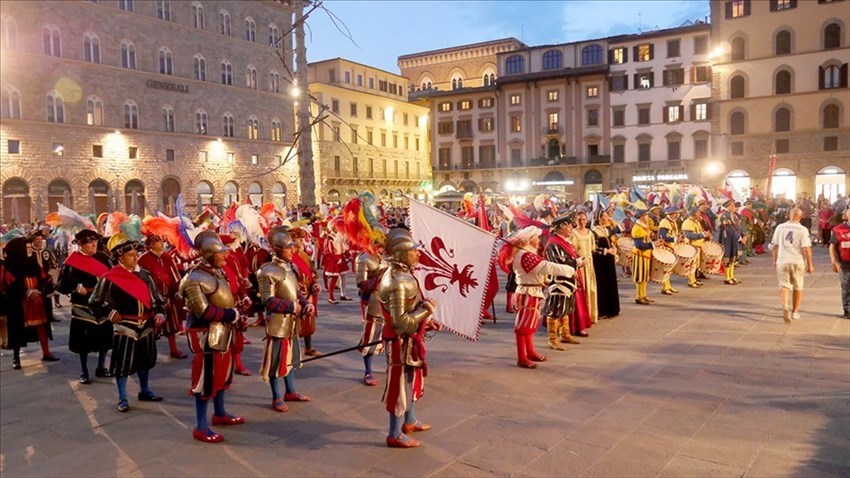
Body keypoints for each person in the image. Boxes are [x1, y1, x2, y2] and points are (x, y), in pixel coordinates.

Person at [377, 228, 442, 448]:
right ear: (401, 254)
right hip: (400, 342)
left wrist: (427, 321)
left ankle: (410, 420)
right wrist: (427, 310)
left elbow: (408, 309)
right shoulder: (398, 281)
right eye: (413, 251)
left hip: (409, 339)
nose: (417, 254)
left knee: (410, 382)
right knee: (398, 387)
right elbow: (400, 323)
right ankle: (394, 433)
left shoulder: (404, 275)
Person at [178, 231, 245, 444]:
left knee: (222, 376)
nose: (226, 255)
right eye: (220, 252)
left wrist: (236, 313)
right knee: (205, 381)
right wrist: (231, 314)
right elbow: (203, 311)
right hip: (205, 334)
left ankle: (220, 413)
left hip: (223, 330)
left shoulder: (217, 272)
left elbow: (224, 299)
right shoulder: (195, 277)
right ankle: (200, 425)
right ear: (208, 254)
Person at [90, 237, 166, 412]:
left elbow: (157, 298)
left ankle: (144, 390)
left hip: (146, 325)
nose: (135, 257)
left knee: (145, 361)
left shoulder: (145, 275)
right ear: (120, 258)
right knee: (122, 364)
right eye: (131, 255)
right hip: (125, 326)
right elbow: (95, 301)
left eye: (135, 254)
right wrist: (110, 313)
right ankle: (123, 397)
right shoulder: (110, 277)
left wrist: (159, 313)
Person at [500, 225, 577, 365]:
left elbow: (538, 271)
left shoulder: (525, 254)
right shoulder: (526, 255)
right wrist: (569, 270)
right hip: (527, 294)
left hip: (532, 292)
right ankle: (522, 357)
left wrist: (543, 280)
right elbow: (547, 266)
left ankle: (529, 351)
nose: (539, 239)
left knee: (530, 325)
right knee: (523, 326)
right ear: (530, 239)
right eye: (537, 237)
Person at [257, 227, 314, 413]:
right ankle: (276, 396)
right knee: (276, 362)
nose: (292, 250)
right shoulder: (267, 271)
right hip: (278, 323)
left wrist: (305, 303)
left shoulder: (291, 267)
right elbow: (267, 300)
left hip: (292, 322)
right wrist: (290, 306)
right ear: (278, 249)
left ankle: (290, 391)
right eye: (288, 247)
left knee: (290, 358)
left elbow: (295, 292)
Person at [57, 229, 113, 383]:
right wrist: (75, 287)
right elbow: (61, 285)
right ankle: (84, 371)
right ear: (80, 244)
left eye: (95, 241)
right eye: (90, 241)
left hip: (102, 304)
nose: (94, 244)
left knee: (105, 338)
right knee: (83, 342)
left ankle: (101, 367)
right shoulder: (72, 261)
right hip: (83, 306)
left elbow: (114, 275)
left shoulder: (103, 257)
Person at [4, 237, 59, 369]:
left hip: (37, 300)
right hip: (19, 302)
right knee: (17, 330)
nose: (30, 250)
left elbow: (43, 278)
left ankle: (46, 352)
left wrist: (38, 290)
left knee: (42, 327)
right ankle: (16, 358)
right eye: (27, 248)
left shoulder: (33, 262)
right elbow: (10, 283)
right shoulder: (9, 265)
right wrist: (26, 292)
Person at [137, 235, 187, 359]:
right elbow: (141, 280)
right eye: (158, 241)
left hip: (168, 296)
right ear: (151, 244)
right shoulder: (143, 260)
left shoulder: (167, 256)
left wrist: (177, 290)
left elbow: (175, 275)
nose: (162, 243)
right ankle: (149, 352)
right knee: (152, 327)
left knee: (171, 325)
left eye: (161, 241)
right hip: (152, 298)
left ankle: (174, 350)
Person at [542, 215, 586, 351]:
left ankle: (565, 334)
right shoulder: (553, 243)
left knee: (565, 308)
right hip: (559, 281)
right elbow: (558, 262)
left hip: (569, 279)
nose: (571, 228)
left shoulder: (563, 241)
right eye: (568, 226)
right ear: (561, 227)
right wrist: (577, 262)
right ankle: (552, 339)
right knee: (555, 310)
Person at [771, 207, 814, 323]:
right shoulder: (803, 230)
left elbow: (775, 246)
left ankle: (785, 305)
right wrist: (810, 264)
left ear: (789, 215)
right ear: (800, 217)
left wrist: (775, 260)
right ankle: (795, 311)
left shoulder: (780, 227)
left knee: (784, 286)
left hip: (783, 260)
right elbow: (806, 248)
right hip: (797, 261)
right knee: (798, 286)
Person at [354, 238, 387, 386]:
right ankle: (368, 370)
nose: (381, 245)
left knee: (391, 337)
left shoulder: (386, 258)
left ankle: (392, 365)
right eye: (377, 242)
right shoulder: (363, 259)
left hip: (389, 301)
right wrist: (378, 280)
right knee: (371, 337)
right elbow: (361, 284)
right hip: (373, 301)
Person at [591, 209, 620, 319]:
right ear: (599, 218)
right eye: (605, 216)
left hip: (609, 259)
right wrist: (606, 251)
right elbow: (595, 248)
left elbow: (610, 242)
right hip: (600, 261)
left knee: (610, 282)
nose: (607, 217)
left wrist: (613, 248)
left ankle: (611, 309)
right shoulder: (594, 231)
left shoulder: (607, 229)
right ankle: (601, 310)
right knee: (602, 284)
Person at [571, 211, 598, 323]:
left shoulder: (590, 233)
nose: (582, 222)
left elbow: (592, 249)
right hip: (580, 264)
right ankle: (582, 317)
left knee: (591, 288)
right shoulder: (573, 233)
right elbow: (573, 250)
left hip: (589, 264)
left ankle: (591, 314)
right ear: (575, 221)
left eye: (584, 219)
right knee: (582, 289)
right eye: (579, 220)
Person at [29, 230, 60, 322]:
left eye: (40, 239)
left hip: (46, 279)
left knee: (47, 299)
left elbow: (54, 264)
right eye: (37, 239)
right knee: (35, 299)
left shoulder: (46, 251)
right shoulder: (29, 251)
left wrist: (51, 276)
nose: (39, 241)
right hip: (34, 279)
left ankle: (49, 316)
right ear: (33, 240)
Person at [716, 200, 745, 285]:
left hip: (734, 239)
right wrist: (738, 237)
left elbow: (738, 227)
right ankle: (727, 277)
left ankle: (732, 276)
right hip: (727, 240)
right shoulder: (724, 216)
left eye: (733, 205)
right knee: (727, 258)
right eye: (731, 205)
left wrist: (743, 235)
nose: (733, 207)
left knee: (733, 258)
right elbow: (728, 229)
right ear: (727, 206)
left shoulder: (734, 215)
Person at [829, 208, 850, 320]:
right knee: (846, 286)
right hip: (845, 263)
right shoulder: (838, 230)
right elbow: (832, 246)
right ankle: (847, 309)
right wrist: (834, 261)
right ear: (846, 216)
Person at [681, 208, 709, 288]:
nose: (700, 214)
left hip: (698, 246)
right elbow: (689, 236)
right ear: (693, 214)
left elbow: (700, 231)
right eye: (698, 212)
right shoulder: (687, 223)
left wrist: (706, 235)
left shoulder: (696, 222)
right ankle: (691, 281)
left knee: (695, 265)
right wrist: (702, 235)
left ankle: (694, 280)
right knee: (691, 265)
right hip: (691, 247)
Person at [631, 210, 654, 304]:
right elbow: (639, 245)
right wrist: (652, 245)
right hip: (639, 255)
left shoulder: (644, 227)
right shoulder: (637, 229)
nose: (647, 217)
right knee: (640, 276)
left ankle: (644, 295)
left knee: (645, 276)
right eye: (646, 215)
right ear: (641, 217)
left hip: (645, 255)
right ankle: (638, 296)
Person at [658, 206, 683, 295]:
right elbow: (663, 236)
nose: (677, 215)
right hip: (666, 247)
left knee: (669, 269)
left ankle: (668, 286)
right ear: (670, 214)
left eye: (677, 213)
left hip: (671, 247)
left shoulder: (673, 222)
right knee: (666, 268)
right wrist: (675, 239)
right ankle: (665, 287)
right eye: (675, 213)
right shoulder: (664, 222)